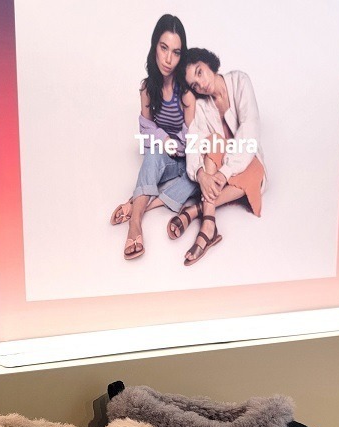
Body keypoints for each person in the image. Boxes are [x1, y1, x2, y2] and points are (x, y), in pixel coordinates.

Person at [110, 14, 200, 260]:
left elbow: (192, 141)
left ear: (182, 55)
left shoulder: (186, 93)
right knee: (152, 155)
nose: (169, 59)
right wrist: (165, 140)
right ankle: (135, 224)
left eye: (176, 52)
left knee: (196, 180)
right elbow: (147, 133)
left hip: (189, 159)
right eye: (163, 48)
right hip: (164, 156)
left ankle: (140, 205)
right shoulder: (147, 89)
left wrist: (171, 144)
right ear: (154, 47)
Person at [170, 47, 266, 266]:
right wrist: (201, 174)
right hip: (217, 168)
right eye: (194, 85)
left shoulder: (240, 81)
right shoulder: (202, 106)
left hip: (244, 161)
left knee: (256, 176)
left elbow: (250, 127)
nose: (201, 84)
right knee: (212, 140)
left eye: (200, 72)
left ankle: (196, 210)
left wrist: (225, 172)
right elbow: (194, 140)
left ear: (208, 63)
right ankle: (209, 224)